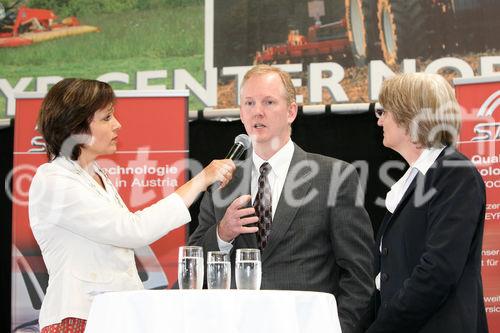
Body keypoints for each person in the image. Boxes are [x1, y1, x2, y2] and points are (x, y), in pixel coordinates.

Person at [28, 78, 235, 333]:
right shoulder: (53, 179)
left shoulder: (97, 175)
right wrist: (201, 180)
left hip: (114, 315)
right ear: (75, 127)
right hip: (79, 319)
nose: (118, 125)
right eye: (106, 118)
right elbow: (132, 231)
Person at [188, 65, 375, 333]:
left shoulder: (333, 176)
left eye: (269, 102)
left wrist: (339, 328)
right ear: (241, 113)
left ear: (291, 111)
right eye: (249, 103)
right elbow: (195, 265)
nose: (257, 111)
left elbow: (359, 273)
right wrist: (222, 234)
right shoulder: (222, 182)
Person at [367, 73, 487, 332]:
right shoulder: (415, 179)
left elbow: (437, 272)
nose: (379, 120)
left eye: (384, 111)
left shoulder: (454, 173)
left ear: (410, 116)